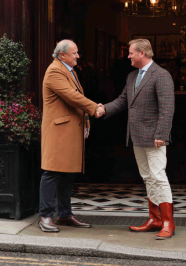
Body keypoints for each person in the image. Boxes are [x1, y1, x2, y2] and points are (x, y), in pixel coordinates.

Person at [98, 39, 175, 239]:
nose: (128, 56)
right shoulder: (132, 76)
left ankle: (168, 222)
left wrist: (162, 134)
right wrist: (102, 108)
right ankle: (155, 219)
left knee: (159, 176)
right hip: (137, 136)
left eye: (131, 53)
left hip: (154, 137)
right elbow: (123, 101)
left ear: (142, 53)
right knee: (148, 178)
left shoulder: (161, 75)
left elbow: (167, 109)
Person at [39, 39, 105, 233]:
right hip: (59, 131)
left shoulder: (69, 70)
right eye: (74, 53)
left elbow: (74, 101)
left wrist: (85, 122)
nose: (78, 56)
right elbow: (71, 96)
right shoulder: (54, 71)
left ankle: (64, 214)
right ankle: (45, 216)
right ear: (62, 55)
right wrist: (95, 108)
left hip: (70, 130)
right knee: (51, 172)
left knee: (67, 173)